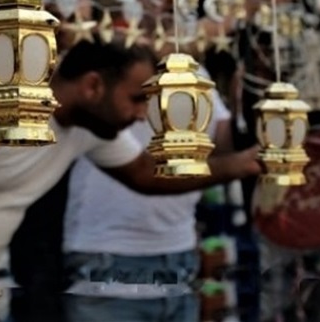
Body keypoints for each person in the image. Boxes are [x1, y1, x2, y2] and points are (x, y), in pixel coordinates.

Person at [0, 39, 262, 322]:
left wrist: (240, 164)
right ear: (92, 85)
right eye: (136, 100)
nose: (141, 116)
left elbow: (144, 173)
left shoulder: (89, 126)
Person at [61, 61, 234, 322]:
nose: (141, 113)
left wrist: (249, 111)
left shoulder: (195, 70)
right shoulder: (114, 60)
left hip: (179, 254)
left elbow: (222, 141)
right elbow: (143, 173)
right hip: (108, 255)